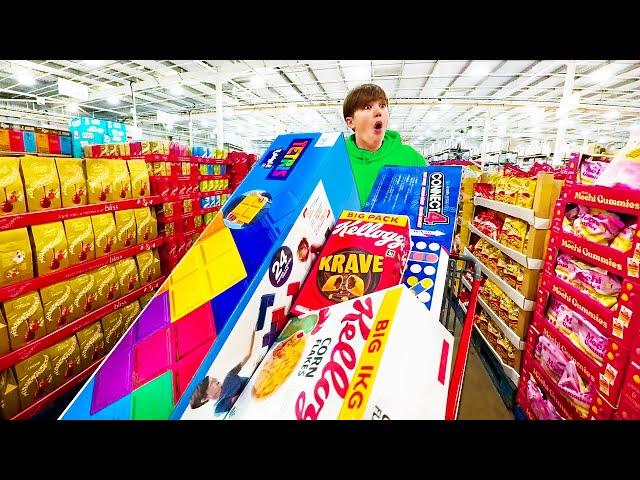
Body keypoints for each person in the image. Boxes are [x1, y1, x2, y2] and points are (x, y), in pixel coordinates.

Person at [343, 83, 426, 207]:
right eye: (367, 107)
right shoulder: (338, 161)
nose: (378, 112)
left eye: (382, 106)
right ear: (351, 122)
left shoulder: (411, 158)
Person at [189, 326, 259, 416]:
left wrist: (253, 332)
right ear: (205, 398)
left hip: (257, 388)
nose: (216, 380)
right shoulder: (219, 409)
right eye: (211, 383)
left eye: (213, 379)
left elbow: (248, 355)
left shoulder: (229, 376)